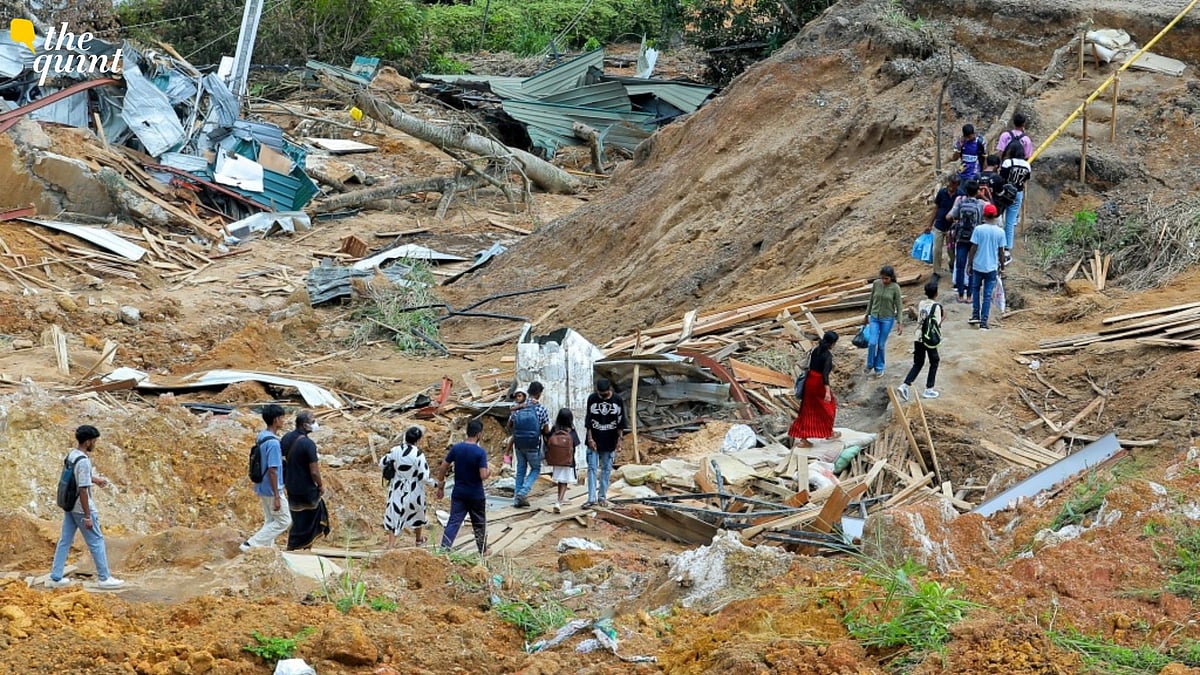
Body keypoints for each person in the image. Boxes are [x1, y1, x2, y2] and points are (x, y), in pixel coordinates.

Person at [47, 425, 124, 589]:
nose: (95, 444)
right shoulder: (84, 462)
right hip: (81, 508)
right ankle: (104, 578)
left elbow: (76, 476)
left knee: (65, 540)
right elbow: (82, 489)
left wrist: (95, 480)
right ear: (88, 441)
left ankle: (56, 575)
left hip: (69, 505)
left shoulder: (72, 455)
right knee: (96, 540)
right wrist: (88, 516)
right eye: (94, 441)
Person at [241, 404, 291, 552]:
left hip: (261, 485)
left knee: (270, 520)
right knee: (284, 521)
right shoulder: (274, 443)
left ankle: (267, 550)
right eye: (282, 418)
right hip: (272, 488)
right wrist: (277, 495)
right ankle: (250, 544)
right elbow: (273, 470)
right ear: (276, 420)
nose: (283, 421)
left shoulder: (262, 436)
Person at [436, 419, 490, 556]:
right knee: (479, 523)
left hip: (459, 492)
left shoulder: (457, 448)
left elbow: (443, 466)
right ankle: (482, 550)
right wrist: (490, 472)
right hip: (475, 494)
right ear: (479, 434)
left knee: (453, 521)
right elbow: (483, 475)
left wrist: (441, 485)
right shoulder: (480, 452)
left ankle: (444, 549)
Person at [281, 410, 328, 551]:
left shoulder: (286, 438)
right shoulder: (308, 445)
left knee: (298, 517)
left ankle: (295, 544)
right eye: (313, 421)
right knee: (315, 516)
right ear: (305, 425)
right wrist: (320, 485)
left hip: (290, 485)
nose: (315, 424)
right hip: (307, 488)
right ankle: (303, 546)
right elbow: (314, 471)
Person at [787, 331, 841, 448]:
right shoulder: (827, 356)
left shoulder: (815, 350)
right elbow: (825, 375)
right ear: (832, 343)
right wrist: (827, 392)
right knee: (829, 408)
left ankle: (803, 439)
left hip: (809, 381)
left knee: (807, 410)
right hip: (818, 384)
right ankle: (828, 432)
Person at [382, 426, 431, 548]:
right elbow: (424, 477)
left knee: (394, 512)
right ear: (418, 440)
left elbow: (382, 463)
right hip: (414, 489)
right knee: (417, 513)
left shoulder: (395, 450)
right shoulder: (419, 455)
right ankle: (418, 539)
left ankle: (391, 544)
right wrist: (436, 484)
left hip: (397, 487)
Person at [584, 378, 626, 508]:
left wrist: (619, 441)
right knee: (592, 469)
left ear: (610, 390)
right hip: (594, 440)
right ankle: (591, 499)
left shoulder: (617, 400)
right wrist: (590, 439)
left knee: (606, 470)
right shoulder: (592, 398)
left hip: (610, 440)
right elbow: (588, 422)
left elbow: (621, 423)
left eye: (605, 394)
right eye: (600, 394)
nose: (602, 396)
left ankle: (602, 497)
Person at [898, 281, 944, 401]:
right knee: (934, 361)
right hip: (929, 338)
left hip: (918, 336)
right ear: (936, 293)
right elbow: (937, 324)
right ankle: (929, 389)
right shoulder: (937, 306)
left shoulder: (922, 303)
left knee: (918, 363)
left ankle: (905, 385)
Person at [508, 381, 550, 508]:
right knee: (535, 469)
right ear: (539, 394)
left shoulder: (518, 407)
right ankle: (523, 492)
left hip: (519, 444)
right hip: (533, 445)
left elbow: (509, 425)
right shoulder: (541, 409)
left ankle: (516, 500)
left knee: (520, 470)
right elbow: (546, 430)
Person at [947, 179, 986, 304]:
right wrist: (984, 196)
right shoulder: (981, 204)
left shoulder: (960, 201)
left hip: (961, 238)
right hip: (975, 239)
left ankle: (960, 294)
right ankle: (970, 295)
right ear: (977, 191)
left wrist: (956, 219)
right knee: (973, 266)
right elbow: (994, 210)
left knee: (960, 265)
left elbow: (948, 216)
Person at [969, 203, 1007, 331]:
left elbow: (973, 248)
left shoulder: (978, 229)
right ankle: (984, 322)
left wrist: (969, 263)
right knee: (987, 295)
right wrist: (1002, 267)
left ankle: (975, 315)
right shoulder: (1000, 232)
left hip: (978, 265)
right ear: (996, 215)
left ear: (984, 215)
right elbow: (1001, 252)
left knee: (975, 290)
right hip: (991, 267)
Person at [863, 265, 903, 378]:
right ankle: (870, 364)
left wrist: (900, 322)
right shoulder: (876, 284)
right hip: (874, 317)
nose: (884, 281)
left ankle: (879, 367)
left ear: (891, 278)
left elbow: (899, 306)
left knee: (881, 344)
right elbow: (871, 300)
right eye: (882, 278)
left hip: (887, 319)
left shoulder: (895, 288)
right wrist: (867, 314)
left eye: (886, 278)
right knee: (872, 342)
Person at [997, 139, 1032, 263]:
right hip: (1018, 193)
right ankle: (1007, 248)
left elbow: (1002, 178)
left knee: (999, 218)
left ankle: (998, 244)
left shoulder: (1007, 162)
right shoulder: (1027, 165)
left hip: (1005, 193)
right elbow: (1026, 178)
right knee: (1010, 221)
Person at [545, 408, 580, 513]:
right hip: (568, 460)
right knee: (564, 482)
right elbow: (576, 443)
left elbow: (547, 439)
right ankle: (559, 502)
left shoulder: (555, 429)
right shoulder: (571, 430)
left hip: (557, 460)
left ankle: (560, 498)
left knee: (561, 480)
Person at [927, 173, 960, 279]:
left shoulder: (960, 195)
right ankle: (936, 271)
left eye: (954, 184)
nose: (952, 186)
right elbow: (936, 208)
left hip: (952, 228)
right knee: (937, 249)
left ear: (957, 185)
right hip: (939, 225)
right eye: (951, 184)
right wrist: (929, 224)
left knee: (951, 250)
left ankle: (952, 264)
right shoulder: (942, 193)